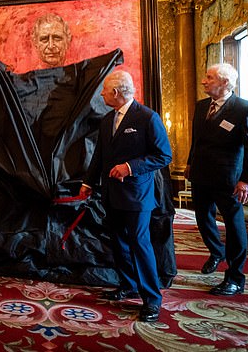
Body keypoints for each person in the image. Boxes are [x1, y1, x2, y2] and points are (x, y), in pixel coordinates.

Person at [80, 70, 172, 323]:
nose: (101, 94)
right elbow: (99, 155)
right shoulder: (108, 119)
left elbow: (163, 156)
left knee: (140, 245)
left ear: (116, 92)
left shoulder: (147, 118)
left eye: (104, 90)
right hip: (111, 193)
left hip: (137, 196)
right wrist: (88, 182)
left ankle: (152, 299)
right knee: (119, 243)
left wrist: (130, 167)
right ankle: (128, 285)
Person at [185, 63, 248, 296]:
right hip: (200, 175)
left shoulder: (244, 109)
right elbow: (197, 140)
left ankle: (235, 277)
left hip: (228, 180)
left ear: (225, 83)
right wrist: (190, 162)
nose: (204, 81)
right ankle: (216, 251)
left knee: (234, 225)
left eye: (209, 78)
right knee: (202, 217)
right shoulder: (201, 107)